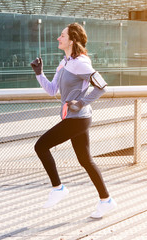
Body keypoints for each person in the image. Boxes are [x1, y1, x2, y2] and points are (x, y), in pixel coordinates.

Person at [31, 22, 117, 219]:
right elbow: (53, 90)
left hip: (78, 118)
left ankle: (58, 188)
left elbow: (102, 86)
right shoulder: (65, 62)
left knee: (41, 146)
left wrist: (81, 102)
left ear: (72, 40)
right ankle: (106, 201)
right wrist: (39, 73)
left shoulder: (80, 63)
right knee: (85, 160)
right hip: (77, 118)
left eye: (62, 35)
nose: (58, 38)